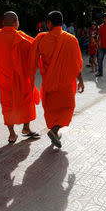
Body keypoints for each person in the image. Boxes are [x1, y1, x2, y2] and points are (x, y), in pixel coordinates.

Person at [29, 11, 84, 148]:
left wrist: (30, 81)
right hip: (65, 84)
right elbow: (77, 63)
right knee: (68, 108)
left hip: (49, 83)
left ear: (49, 23)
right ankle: (54, 130)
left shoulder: (41, 39)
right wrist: (81, 80)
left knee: (52, 110)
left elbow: (32, 62)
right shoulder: (72, 39)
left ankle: (54, 131)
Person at [0, 11, 40, 144]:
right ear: (15, 22)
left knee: (7, 105)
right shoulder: (21, 37)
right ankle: (26, 128)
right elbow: (35, 49)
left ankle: (12, 135)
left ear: (2, 23)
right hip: (21, 79)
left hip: (4, 79)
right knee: (26, 101)